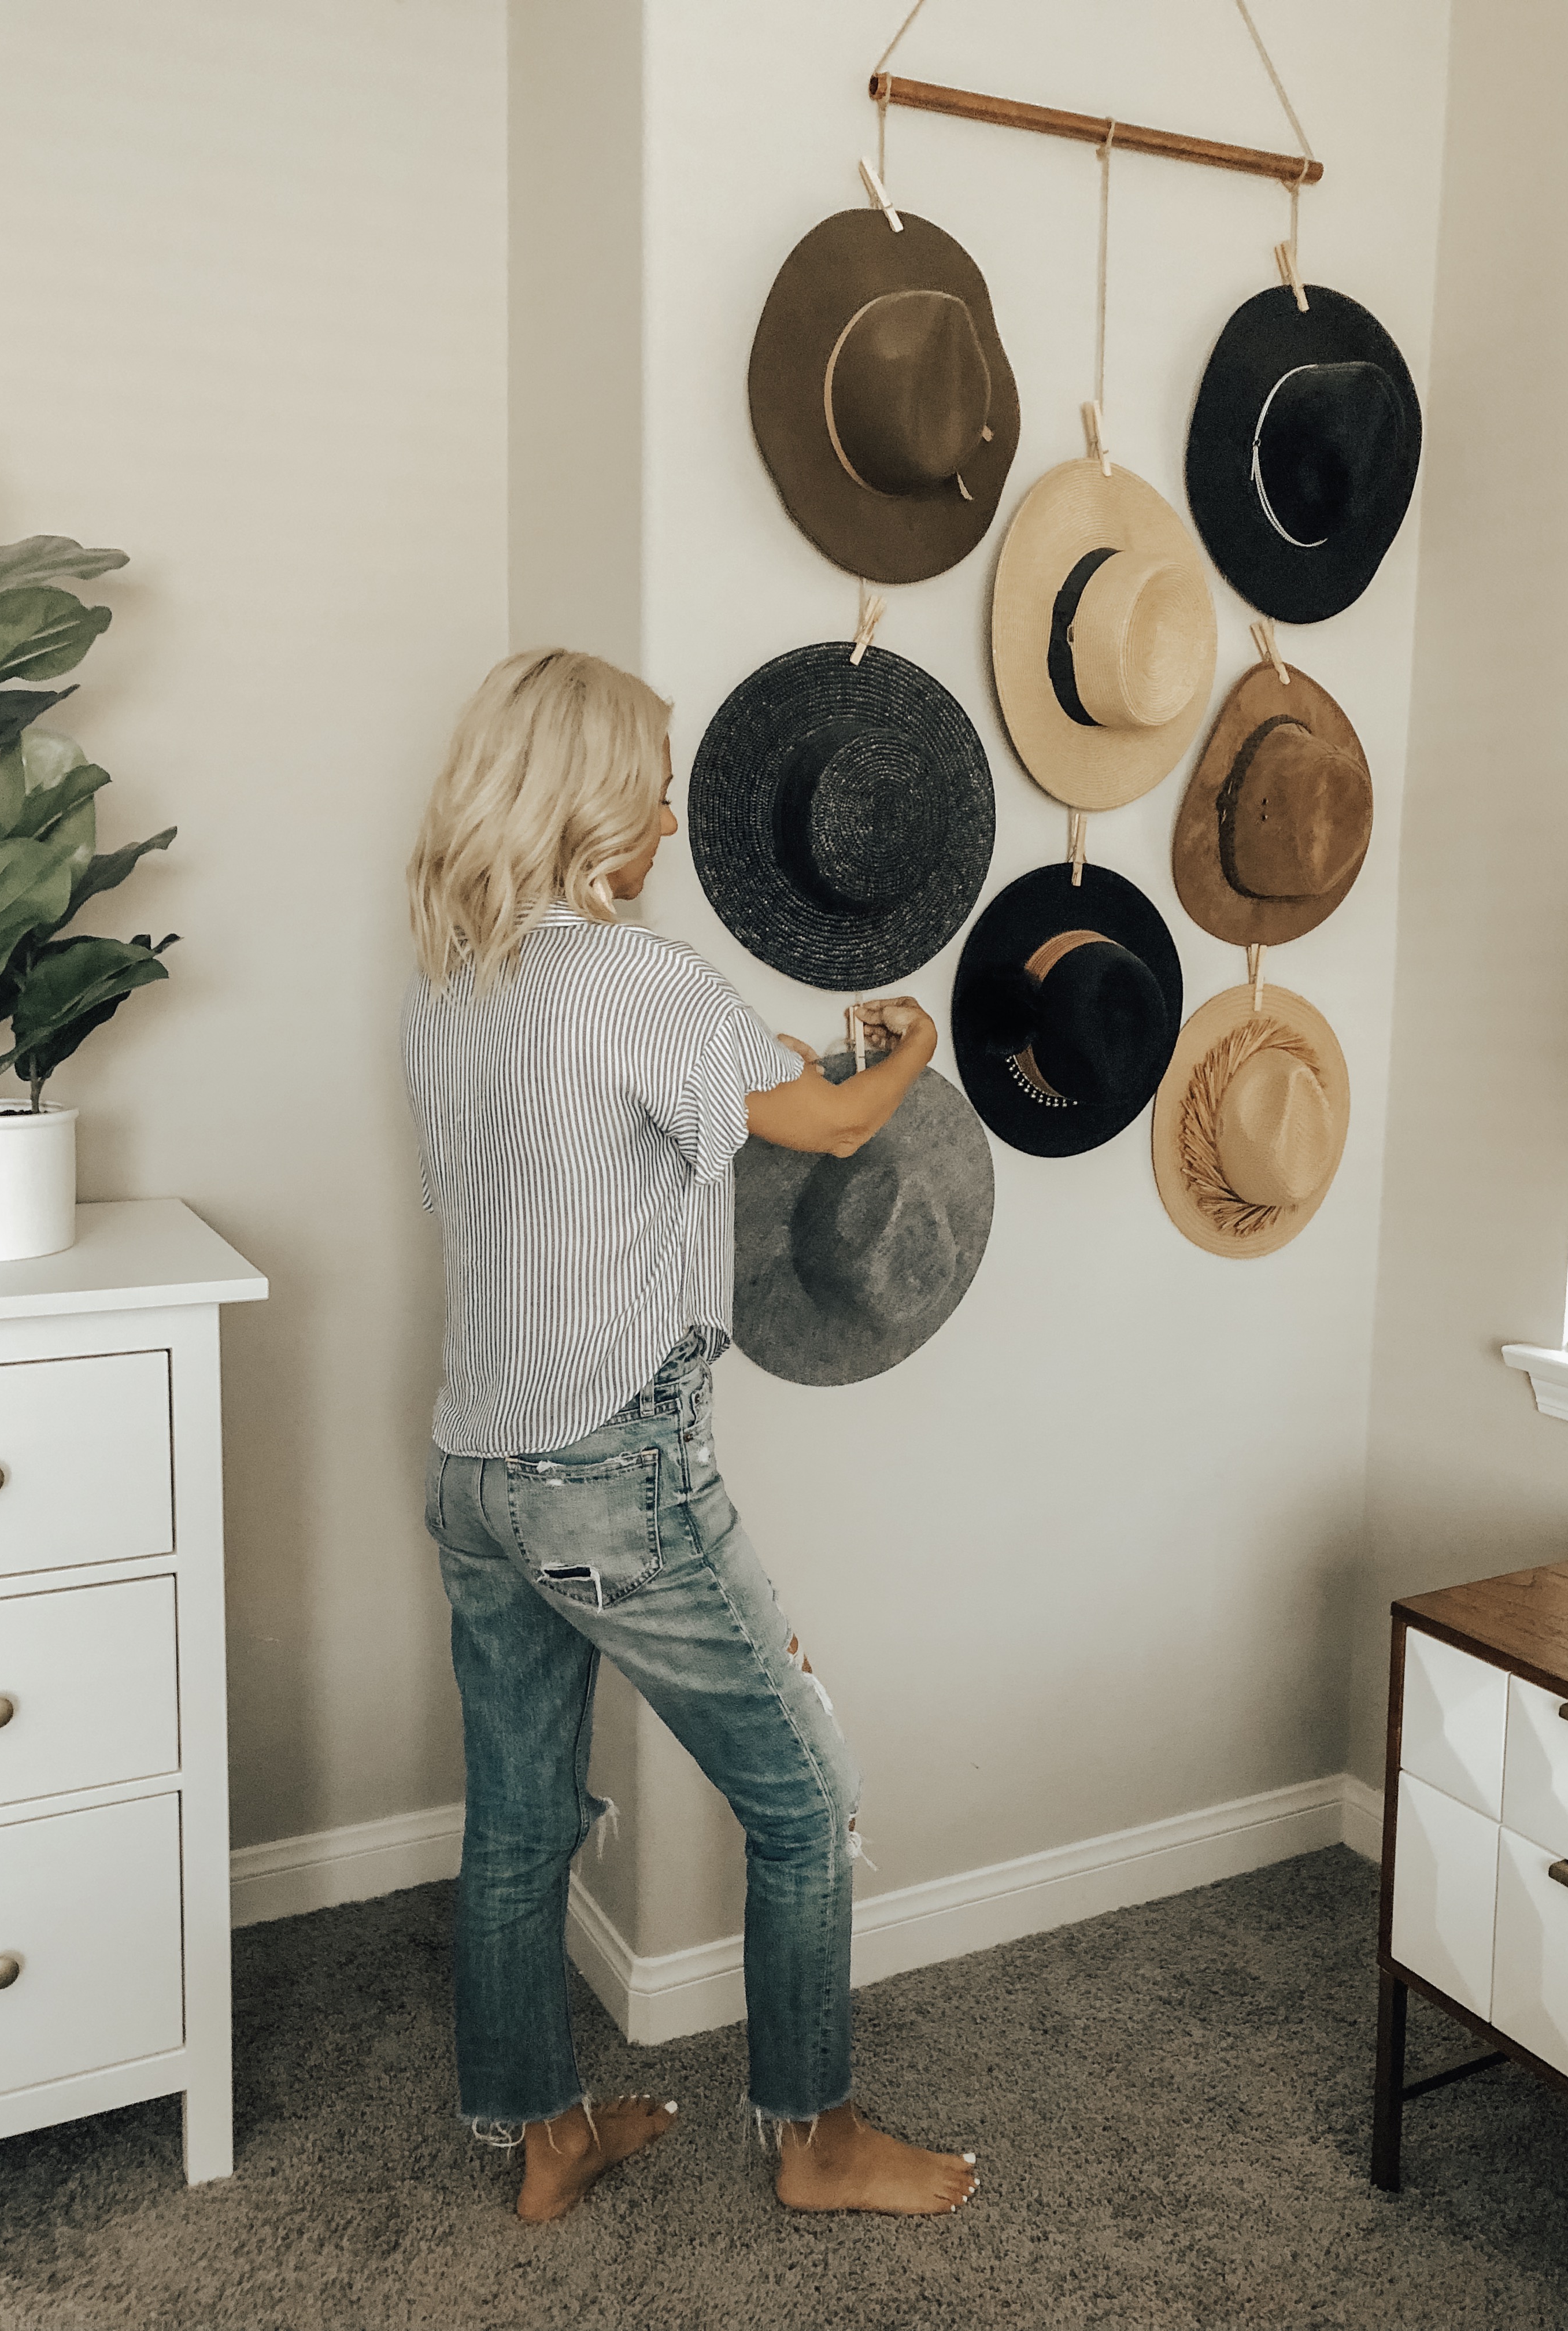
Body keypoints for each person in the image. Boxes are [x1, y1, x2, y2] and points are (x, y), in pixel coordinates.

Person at [402, 649, 980, 2225]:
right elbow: (840, 1124)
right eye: (652, 781)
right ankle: (815, 2137)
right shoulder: (643, 983)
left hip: (475, 1471)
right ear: (588, 802)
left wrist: (818, 1073)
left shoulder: (457, 988)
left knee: (519, 1817)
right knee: (808, 1796)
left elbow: (714, 1111)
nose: (670, 811)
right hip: (611, 1478)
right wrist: (909, 1044)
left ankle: (543, 2137)